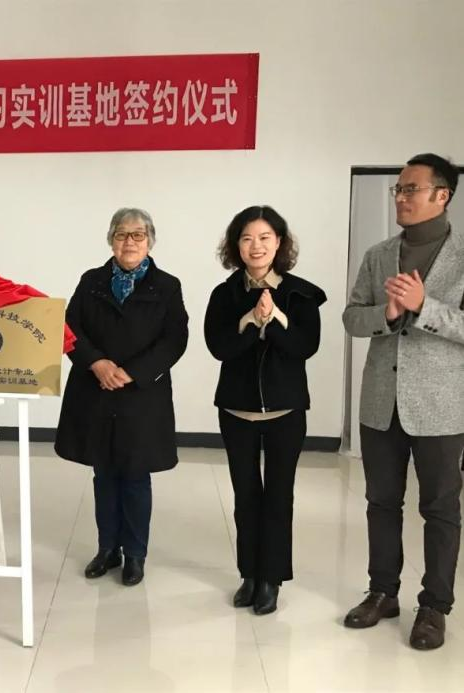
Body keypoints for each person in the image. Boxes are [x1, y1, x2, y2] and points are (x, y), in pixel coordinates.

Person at [342, 153, 464, 650]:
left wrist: (423, 307)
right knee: (381, 502)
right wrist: (387, 315)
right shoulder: (379, 254)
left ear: (442, 195)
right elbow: (352, 317)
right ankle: (382, 592)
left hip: (440, 404)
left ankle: (434, 606)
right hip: (380, 401)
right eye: (398, 189)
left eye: (411, 188)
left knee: (440, 508)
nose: (401, 197)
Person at [55, 208, 188, 586]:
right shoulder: (92, 280)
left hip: (141, 396)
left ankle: (135, 554)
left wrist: (133, 373)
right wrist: (96, 363)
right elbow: (70, 327)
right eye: (121, 234)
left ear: (150, 241)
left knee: (134, 474)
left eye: (138, 235)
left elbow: (175, 339)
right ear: (111, 240)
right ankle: (107, 549)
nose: (129, 242)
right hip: (96, 390)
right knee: (104, 473)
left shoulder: (167, 286)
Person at [204, 205, 325, 615]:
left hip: (285, 413)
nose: (255, 246)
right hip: (235, 412)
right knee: (245, 497)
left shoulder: (302, 293)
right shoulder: (224, 294)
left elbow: (304, 347)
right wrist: (249, 321)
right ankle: (249, 575)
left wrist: (274, 319)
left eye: (264, 238)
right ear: (236, 246)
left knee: (278, 497)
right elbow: (219, 347)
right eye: (246, 238)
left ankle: (271, 578)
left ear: (279, 243)